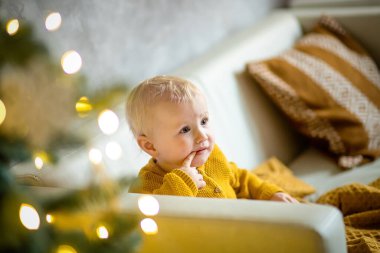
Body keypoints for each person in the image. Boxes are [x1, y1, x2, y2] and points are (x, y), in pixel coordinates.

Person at [126, 75, 298, 203]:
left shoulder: (212, 156)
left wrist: (269, 194)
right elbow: (158, 221)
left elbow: (239, 178)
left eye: (204, 121)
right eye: (185, 129)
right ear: (150, 146)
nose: (202, 135)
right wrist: (182, 182)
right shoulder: (145, 187)